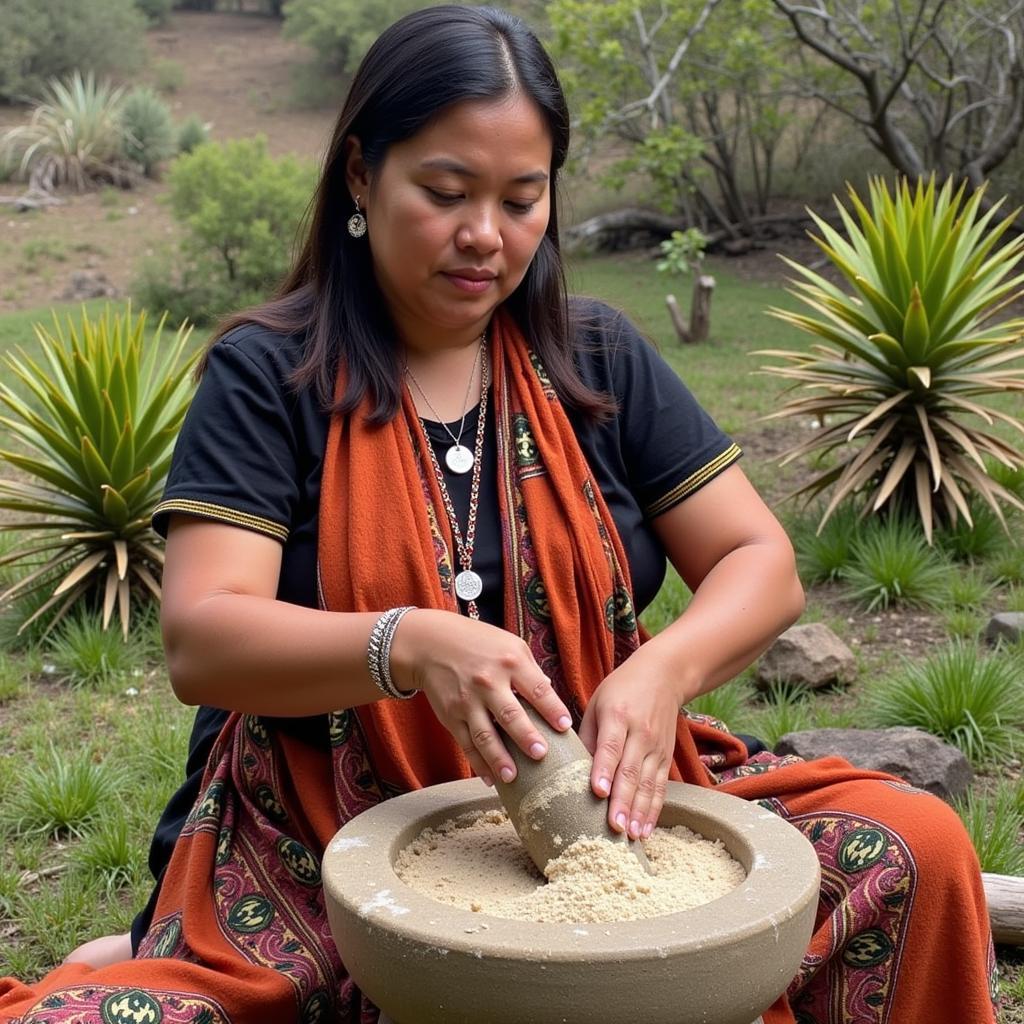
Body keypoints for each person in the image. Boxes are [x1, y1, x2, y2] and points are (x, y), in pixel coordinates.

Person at [0, 6, 998, 1023]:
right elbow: (203, 640)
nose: (487, 234)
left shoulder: (594, 356)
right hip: (319, 842)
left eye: (523, 197)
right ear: (359, 174)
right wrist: (411, 643)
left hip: (602, 811)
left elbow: (759, 560)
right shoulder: (270, 376)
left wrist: (662, 670)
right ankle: (141, 950)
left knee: (914, 846)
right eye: (445, 192)